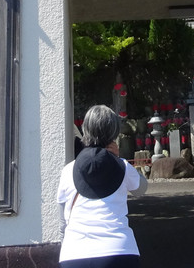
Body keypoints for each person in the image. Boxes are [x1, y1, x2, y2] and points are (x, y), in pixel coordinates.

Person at [57, 105, 148, 267]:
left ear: (86, 129)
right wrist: (119, 158)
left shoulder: (68, 170)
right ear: (114, 132)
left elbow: (62, 221)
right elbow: (141, 188)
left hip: (74, 253)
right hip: (119, 251)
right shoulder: (122, 166)